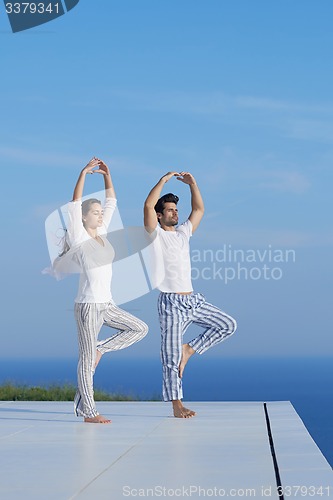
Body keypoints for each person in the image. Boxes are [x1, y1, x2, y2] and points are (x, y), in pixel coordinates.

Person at [144, 171, 237, 418]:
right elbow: (146, 205)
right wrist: (163, 180)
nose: (175, 212)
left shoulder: (183, 233)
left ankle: (189, 350)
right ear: (159, 215)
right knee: (170, 356)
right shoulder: (155, 235)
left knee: (227, 325)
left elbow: (199, 210)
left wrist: (193, 184)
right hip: (171, 303)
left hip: (192, 300)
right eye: (170, 210)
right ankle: (177, 405)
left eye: (176, 209)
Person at [62, 157, 148, 423]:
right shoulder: (79, 236)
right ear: (84, 217)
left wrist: (107, 177)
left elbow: (112, 203)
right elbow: (74, 205)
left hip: (107, 304)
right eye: (95, 212)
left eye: (100, 213)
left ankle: (100, 349)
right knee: (86, 363)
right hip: (88, 306)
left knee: (139, 328)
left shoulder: (104, 233)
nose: (100, 215)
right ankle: (89, 412)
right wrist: (84, 173)